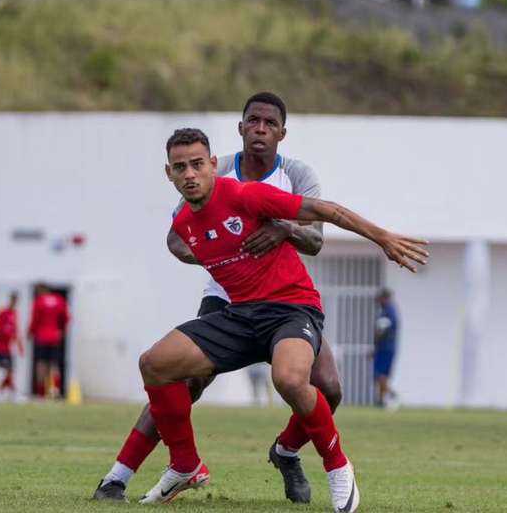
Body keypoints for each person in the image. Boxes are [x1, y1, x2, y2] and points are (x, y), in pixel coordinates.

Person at [135, 128, 428, 512]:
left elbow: (325, 211)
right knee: (154, 364)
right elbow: (180, 243)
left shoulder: (244, 194)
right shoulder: (183, 226)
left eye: (196, 164)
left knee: (290, 379)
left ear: (211, 165)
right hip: (239, 315)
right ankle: (185, 465)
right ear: (168, 174)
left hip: (292, 307)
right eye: (179, 167)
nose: (189, 174)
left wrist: (382, 238)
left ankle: (338, 467)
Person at [94, 92, 342, 505]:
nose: (260, 129)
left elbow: (315, 240)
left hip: (282, 302)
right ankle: (117, 478)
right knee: (179, 380)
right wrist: (225, 260)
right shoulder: (211, 169)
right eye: (253, 121)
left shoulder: (297, 173)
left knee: (328, 387)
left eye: (269, 123)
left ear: (282, 131)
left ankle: (287, 452)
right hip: (225, 301)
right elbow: (177, 235)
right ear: (240, 127)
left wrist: (284, 230)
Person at [28, 285, 70, 399]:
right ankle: (54, 391)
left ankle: (41, 393)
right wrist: (62, 331)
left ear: (41, 291)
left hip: (41, 336)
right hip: (55, 337)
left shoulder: (39, 301)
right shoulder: (59, 300)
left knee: (41, 365)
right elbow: (66, 318)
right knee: (54, 365)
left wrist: (30, 332)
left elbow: (34, 319)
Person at [373, 288, 400, 410]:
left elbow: (381, 331)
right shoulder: (389, 311)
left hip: (385, 347)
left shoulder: (388, 312)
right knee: (382, 375)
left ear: (384, 298)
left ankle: (392, 395)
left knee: (380, 374)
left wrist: (376, 345)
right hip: (388, 347)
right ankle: (381, 401)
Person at [0, 292, 24, 397]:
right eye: (13, 300)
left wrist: (20, 346)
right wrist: (7, 332)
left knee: (10, 370)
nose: (14, 303)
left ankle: (2, 391)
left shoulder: (15, 314)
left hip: (9, 348)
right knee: (8, 370)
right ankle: (4, 390)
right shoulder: (2, 312)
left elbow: (15, 331)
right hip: (0, 347)